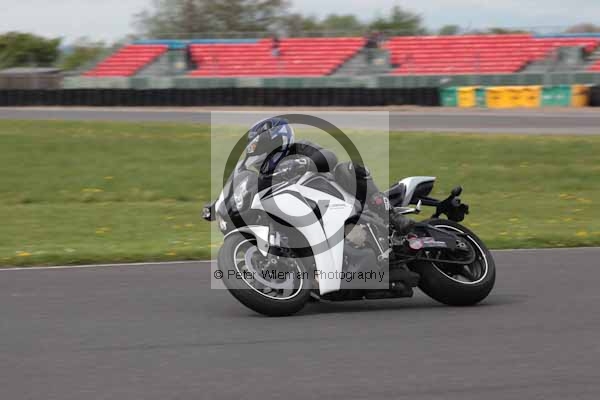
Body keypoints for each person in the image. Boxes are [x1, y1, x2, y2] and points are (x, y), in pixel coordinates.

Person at [242, 117, 414, 235]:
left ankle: (391, 216)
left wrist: (303, 163)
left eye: (255, 144)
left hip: (335, 198)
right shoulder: (265, 175)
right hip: (307, 216)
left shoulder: (299, 148)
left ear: (271, 139)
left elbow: (329, 157)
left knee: (347, 168)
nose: (252, 149)